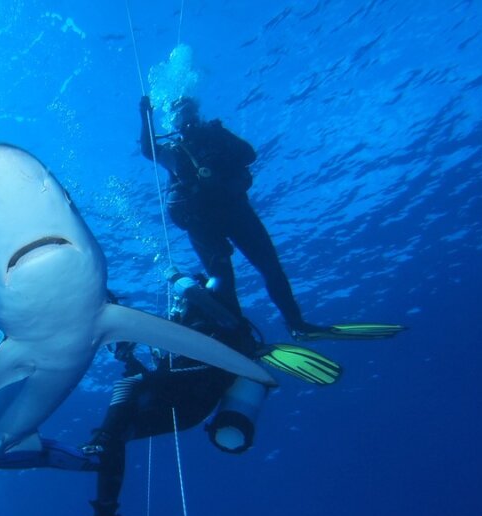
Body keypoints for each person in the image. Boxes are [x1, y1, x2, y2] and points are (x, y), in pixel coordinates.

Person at [0, 268, 342, 516]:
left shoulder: (217, 321)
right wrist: (129, 352)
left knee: (125, 395)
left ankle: (97, 455)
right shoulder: (193, 327)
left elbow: (187, 362)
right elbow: (165, 371)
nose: (174, 307)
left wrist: (183, 289)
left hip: (187, 396)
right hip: (184, 407)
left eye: (179, 302)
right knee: (118, 430)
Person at [139, 96, 406, 342]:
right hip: (201, 221)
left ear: (197, 113)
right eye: (179, 114)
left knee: (270, 266)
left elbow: (249, 154)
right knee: (222, 278)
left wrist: (219, 135)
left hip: (235, 211)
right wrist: (145, 115)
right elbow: (149, 149)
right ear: (172, 121)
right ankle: (239, 336)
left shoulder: (215, 135)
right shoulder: (174, 150)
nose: (186, 118)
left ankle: (296, 324)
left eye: (190, 111)